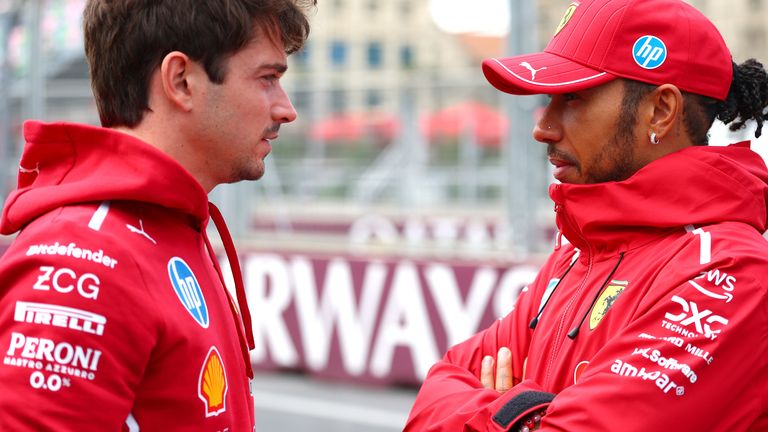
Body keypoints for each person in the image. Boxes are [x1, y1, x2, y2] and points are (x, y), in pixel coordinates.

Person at [405, 0, 768, 430]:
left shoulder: (732, 272)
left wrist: (499, 409)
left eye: (572, 98)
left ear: (661, 110)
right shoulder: (580, 250)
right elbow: (435, 391)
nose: (544, 127)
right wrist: (520, 418)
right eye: (549, 99)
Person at [0, 0, 314, 430]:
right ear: (181, 80)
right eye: (267, 79)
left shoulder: (173, 226)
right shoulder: (84, 256)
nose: (285, 109)